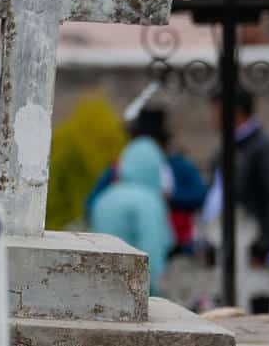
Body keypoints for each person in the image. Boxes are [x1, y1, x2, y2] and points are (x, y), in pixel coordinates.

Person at [85, 107, 207, 249]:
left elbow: (200, 195)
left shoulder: (179, 166)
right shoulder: (120, 167)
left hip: (177, 244)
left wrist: (170, 198)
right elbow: (93, 201)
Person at [204, 92, 269, 265]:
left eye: (217, 112)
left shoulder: (266, 149)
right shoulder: (224, 150)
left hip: (251, 249)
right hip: (223, 247)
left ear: (235, 112)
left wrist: (264, 247)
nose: (213, 119)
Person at [88, 136, 174, 293]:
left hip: (99, 287)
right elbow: (152, 252)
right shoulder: (149, 201)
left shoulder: (104, 197)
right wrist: (156, 294)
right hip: (134, 293)